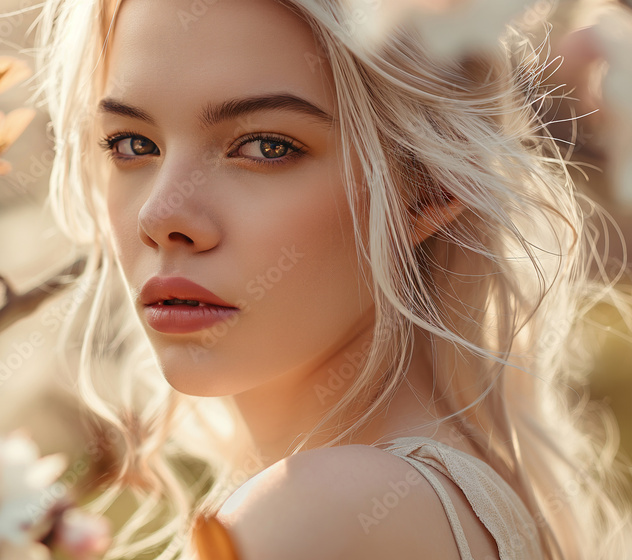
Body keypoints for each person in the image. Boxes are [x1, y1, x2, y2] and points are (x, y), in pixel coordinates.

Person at [32, 0, 632, 558]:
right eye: (132, 143)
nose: (161, 217)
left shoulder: (327, 510)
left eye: (266, 146)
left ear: (428, 189)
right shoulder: (439, 497)